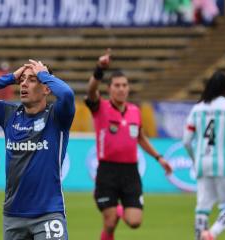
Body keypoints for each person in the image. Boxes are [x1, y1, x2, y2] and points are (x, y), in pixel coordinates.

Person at [0, 59, 75, 240]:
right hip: (13, 215)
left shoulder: (58, 116)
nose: (23, 83)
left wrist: (44, 75)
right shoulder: (9, 113)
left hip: (48, 213)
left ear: (46, 88)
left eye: (32, 79)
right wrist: (10, 78)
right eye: (22, 79)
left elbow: (67, 94)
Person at [84, 49, 172, 240]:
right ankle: (112, 208)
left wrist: (159, 158)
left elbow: (140, 138)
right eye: (117, 85)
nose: (121, 89)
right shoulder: (100, 107)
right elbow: (91, 90)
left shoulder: (135, 111)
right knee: (109, 223)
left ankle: (118, 207)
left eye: (124, 85)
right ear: (110, 89)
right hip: (107, 171)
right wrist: (100, 68)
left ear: (128, 88)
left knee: (134, 222)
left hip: (131, 173)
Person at [182, 71, 225, 240]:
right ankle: (212, 233)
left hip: (202, 164)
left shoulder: (197, 109)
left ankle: (201, 237)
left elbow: (186, 141)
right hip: (224, 165)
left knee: (202, 208)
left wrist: (195, 160)